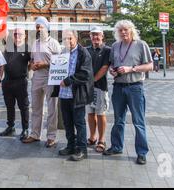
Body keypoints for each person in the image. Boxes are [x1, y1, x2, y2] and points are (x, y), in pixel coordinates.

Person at [103, 20, 153, 165]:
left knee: (138, 121)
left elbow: (150, 65)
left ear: (131, 30)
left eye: (126, 29)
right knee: (118, 120)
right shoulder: (115, 46)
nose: (123, 32)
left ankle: (142, 153)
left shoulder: (141, 44)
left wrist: (131, 69)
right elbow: (112, 63)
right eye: (120, 30)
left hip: (135, 87)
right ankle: (117, 147)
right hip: (118, 86)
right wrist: (112, 70)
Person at [23, 17, 62, 148]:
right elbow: (32, 60)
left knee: (52, 109)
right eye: (37, 27)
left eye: (41, 27)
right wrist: (32, 65)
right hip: (36, 79)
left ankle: (51, 137)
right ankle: (35, 134)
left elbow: (61, 62)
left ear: (47, 28)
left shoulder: (54, 43)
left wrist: (45, 64)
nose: (39, 29)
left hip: (50, 79)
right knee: (36, 108)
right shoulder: (35, 43)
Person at [57, 30, 94, 161]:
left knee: (79, 123)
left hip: (77, 94)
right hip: (63, 94)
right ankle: (70, 146)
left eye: (70, 38)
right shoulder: (62, 53)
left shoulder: (83, 53)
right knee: (67, 123)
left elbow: (85, 74)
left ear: (76, 39)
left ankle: (82, 149)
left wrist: (68, 81)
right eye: (65, 38)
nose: (68, 41)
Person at [0, 28, 31, 141]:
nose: (17, 36)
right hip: (7, 81)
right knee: (9, 106)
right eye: (15, 34)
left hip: (20, 82)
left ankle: (25, 129)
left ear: (25, 36)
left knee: (24, 106)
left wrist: (26, 72)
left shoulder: (27, 48)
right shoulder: (8, 46)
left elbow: (31, 63)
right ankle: (10, 127)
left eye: (20, 34)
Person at [86, 26, 111, 153]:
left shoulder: (107, 50)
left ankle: (101, 139)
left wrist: (93, 80)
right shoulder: (86, 50)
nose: (95, 37)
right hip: (87, 88)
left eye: (98, 35)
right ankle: (92, 137)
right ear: (90, 36)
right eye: (93, 35)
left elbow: (105, 67)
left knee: (100, 113)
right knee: (90, 113)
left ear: (102, 36)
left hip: (100, 87)